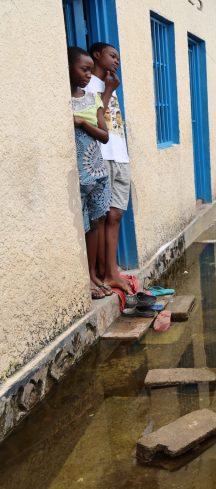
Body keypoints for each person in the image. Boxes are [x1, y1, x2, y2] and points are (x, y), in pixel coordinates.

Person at [86, 42, 132, 293]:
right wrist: (108, 90)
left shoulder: (110, 86)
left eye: (118, 57)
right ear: (97, 55)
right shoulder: (88, 84)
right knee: (101, 216)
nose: (117, 60)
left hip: (120, 156)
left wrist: (111, 89)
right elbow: (95, 117)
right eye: (112, 55)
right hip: (102, 156)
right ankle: (104, 273)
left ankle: (112, 271)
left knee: (116, 215)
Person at [68, 46, 112, 299]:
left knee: (96, 223)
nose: (88, 74)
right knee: (83, 225)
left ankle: (94, 274)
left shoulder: (93, 99)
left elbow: (105, 136)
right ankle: (86, 277)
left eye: (89, 69)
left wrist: (83, 122)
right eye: (83, 69)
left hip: (97, 173)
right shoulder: (60, 100)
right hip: (78, 178)